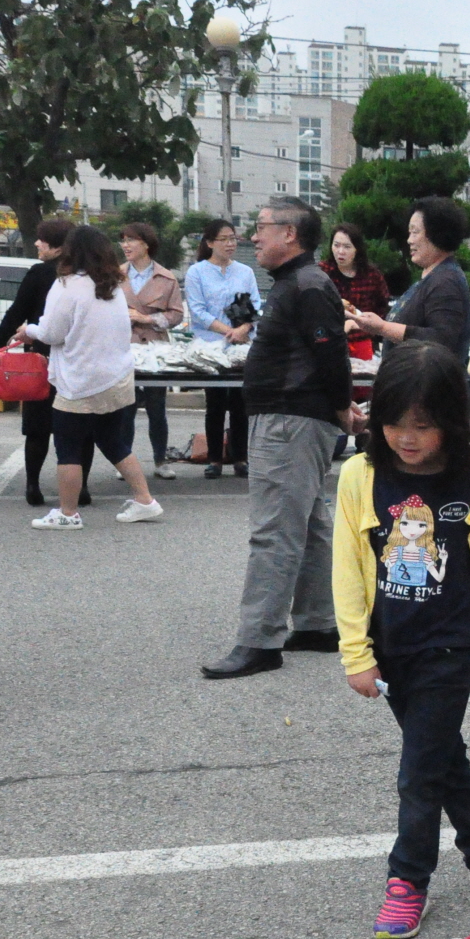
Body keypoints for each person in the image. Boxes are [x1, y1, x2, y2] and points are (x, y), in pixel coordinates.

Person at [333, 340, 470, 939]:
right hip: (389, 648)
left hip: (450, 646)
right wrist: (356, 654)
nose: (406, 437)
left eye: (422, 425)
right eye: (394, 422)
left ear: (451, 419)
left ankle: (407, 879)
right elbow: (345, 568)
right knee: (443, 757)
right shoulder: (361, 474)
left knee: (419, 772)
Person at [200, 196, 358, 680]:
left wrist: (341, 409)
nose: (253, 237)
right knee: (308, 523)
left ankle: (259, 640)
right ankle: (317, 623)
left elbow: (331, 356)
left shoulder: (307, 284)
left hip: (290, 421)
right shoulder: (298, 283)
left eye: (261, 227)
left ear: (290, 234)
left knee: (274, 531)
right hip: (292, 419)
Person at [14, 225, 163, 530]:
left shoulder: (67, 285)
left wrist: (28, 330)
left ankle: (68, 514)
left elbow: (52, 333)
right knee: (112, 440)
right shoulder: (113, 285)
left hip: (80, 379)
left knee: (68, 447)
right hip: (117, 376)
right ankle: (145, 500)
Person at [0, 218, 82, 508]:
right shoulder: (85, 275)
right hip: (76, 360)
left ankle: (33, 485)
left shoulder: (39, 273)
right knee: (80, 427)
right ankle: (81, 489)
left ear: (56, 245)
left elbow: (16, 312)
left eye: (42, 239)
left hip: (39, 359)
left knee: (37, 426)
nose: (36, 243)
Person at [351, 199, 470, 364]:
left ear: (437, 234)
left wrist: (383, 327)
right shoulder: (432, 276)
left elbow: (441, 340)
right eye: (409, 233)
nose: (409, 240)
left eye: (415, 232)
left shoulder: (446, 281)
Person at [184, 219, 260, 478]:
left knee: (240, 402)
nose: (230, 244)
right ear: (209, 243)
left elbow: (255, 305)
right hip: (210, 346)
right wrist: (226, 330)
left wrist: (243, 329)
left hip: (241, 344)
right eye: (224, 239)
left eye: (233, 238)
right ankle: (215, 458)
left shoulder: (245, 272)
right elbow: (197, 310)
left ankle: (241, 457)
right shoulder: (197, 272)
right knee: (215, 403)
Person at [119, 221, 184, 480]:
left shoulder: (166, 278)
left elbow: (177, 315)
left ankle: (160, 460)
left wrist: (147, 318)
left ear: (146, 244)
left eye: (131, 240)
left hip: (156, 349)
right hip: (124, 346)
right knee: (126, 408)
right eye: (123, 240)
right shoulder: (115, 275)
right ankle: (124, 462)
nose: (125, 245)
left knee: (157, 408)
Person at [322, 222, 389, 459]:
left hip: (362, 343)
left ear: (357, 249)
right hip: (330, 342)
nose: (340, 252)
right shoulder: (323, 272)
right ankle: (333, 440)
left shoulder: (372, 275)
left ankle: (366, 442)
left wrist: (361, 323)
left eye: (346, 247)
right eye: (336, 245)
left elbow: (383, 308)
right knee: (335, 392)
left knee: (364, 395)